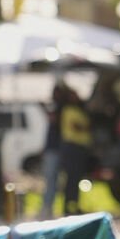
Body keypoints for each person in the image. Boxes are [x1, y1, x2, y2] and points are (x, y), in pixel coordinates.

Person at [57, 84, 93, 216]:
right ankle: (68, 206)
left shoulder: (80, 110)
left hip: (80, 147)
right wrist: (85, 126)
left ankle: (74, 204)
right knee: (71, 178)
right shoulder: (68, 110)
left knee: (77, 178)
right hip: (72, 147)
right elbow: (77, 126)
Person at [39, 84, 66, 217]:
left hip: (56, 149)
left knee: (51, 179)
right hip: (53, 148)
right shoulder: (58, 108)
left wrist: (43, 108)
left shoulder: (61, 109)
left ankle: (48, 207)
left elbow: (53, 120)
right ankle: (48, 207)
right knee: (51, 180)